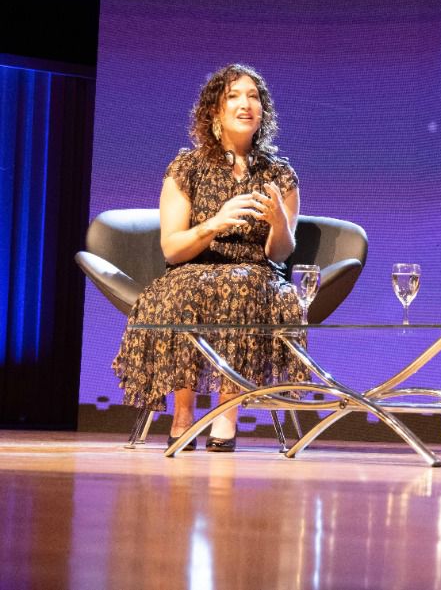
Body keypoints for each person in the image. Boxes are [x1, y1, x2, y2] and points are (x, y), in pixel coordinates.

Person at [112, 63, 305, 452]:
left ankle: (226, 415)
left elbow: (280, 254)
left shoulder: (279, 175)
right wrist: (214, 224)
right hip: (192, 268)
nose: (245, 104)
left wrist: (279, 223)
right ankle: (183, 416)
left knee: (241, 286)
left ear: (263, 111)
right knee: (184, 290)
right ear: (215, 111)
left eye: (253, 96)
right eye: (233, 96)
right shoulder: (187, 168)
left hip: (255, 272)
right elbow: (172, 248)